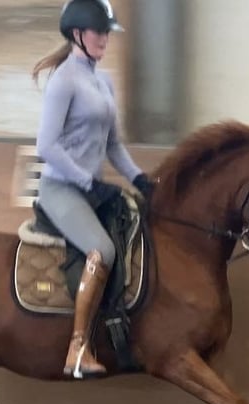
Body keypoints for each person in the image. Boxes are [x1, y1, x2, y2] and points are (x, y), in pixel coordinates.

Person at [31, 0, 155, 380]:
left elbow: (113, 144)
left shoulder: (104, 81)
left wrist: (138, 178)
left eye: (107, 32)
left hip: (91, 188)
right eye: (99, 32)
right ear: (77, 34)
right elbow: (46, 146)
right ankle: (78, 349)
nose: (105, 39)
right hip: (61, 189)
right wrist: (89, 182)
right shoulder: (64, 81)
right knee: (102, 250)